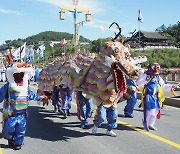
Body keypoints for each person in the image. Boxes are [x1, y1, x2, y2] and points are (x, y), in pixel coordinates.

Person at [0, 62, 47, 150]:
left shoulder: (25, 87)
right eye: (17, 74)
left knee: (20, 130)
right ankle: (10, 139)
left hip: (22, 114)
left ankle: (17, 143)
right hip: (11, 114)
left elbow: (31, 95)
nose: (19, 76)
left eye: (21, 74)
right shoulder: (8, 86)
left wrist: (40, 98)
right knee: (7, 130)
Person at [141, 63, 165, 131]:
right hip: (148, 96)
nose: (157, 69)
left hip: (156, 97)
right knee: (149, 111)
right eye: (156, 67)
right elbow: (139, 83)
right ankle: (145, 122)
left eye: (158, 68)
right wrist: (146, 80)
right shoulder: (146, 75)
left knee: (155, 112)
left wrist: (171, 87)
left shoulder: (158, 77)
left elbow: (163, 85)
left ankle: (151, 124)